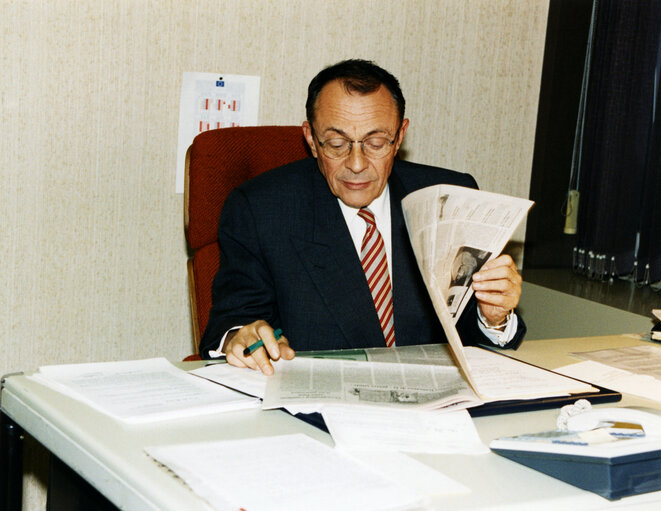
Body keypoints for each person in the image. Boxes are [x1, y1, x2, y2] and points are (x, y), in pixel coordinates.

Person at [200, 59, 526, 374]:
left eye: (376, 142)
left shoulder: (449, 197)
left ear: (399, 137)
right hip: (321, 409)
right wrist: (241, 336)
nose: (356, 164)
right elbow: (233, 322)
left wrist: (493, 317)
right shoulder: (262, 208)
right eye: (337, 143)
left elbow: (470, 335)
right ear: (312, 139)